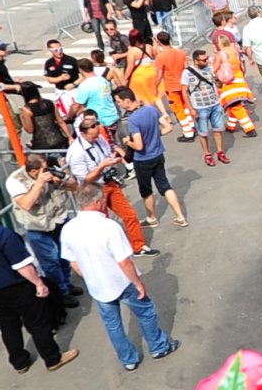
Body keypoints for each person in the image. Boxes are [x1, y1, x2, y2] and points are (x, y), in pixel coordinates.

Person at [61, 182, 179, 372]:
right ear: (99, 202)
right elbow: (124, 262)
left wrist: (90, 277)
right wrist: (138, 283)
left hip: (97, 286)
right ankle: (159, 346)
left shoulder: (68, 229)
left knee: (113, 324)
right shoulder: (109, 227)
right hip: (122, 282)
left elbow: (73, 262)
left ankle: (128, 359)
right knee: (145, 311)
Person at [0, 187, 77, 373]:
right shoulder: (2, 234)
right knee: (37, 323)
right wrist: (39, 284)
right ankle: (52, 358)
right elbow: (23, 266)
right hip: (16, 287)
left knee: (8, 324)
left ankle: (20, 362)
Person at [65, 112, 155, 256]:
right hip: (93, 189)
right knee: (102, 224)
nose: (96, 139)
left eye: (97, 135)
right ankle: (108, 254)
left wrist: (113, 160)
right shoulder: (76, 153)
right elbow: (84, 180)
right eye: (92, 137)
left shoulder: (99, 138)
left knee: (130, 215)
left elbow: (107, 154)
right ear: (82, 133)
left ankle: (138, 246)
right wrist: (101, 167)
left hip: (109, 183)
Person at [5, 152, 81, 303]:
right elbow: (26, 204)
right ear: (33, 171)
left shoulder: (50, 172)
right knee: (50, 261)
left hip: (58, 219)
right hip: (37, 227)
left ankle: (66, 283)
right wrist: (39, 183)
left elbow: (74, 187)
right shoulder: (15, 181)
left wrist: (61, 181)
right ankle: (60, 292)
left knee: (64, 255)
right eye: (43, 169)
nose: (47, 170)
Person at [114, 88, 188, 228]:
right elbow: (168, 128)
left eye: (119, 102)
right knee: (165, 186)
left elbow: (139, 145)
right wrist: (154, 134)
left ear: (127, 101)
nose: (119, 105)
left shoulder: (134, 119)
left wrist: (126, 142)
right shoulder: (151, 109)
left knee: (146, 190)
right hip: (158, 154)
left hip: (143, 160)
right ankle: (180, 216)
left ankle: (152, 218)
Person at [182, 48, 228, 167]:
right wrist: (191, 108)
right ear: (196, 61)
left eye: (207, 59)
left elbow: (219, 85)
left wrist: (217, 78)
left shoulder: (210, 69)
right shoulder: (187, 73)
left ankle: (220, 151)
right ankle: (207, 154)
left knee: (218, 130)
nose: (207, 61)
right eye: (204, 60)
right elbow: (184, 91)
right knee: (203, 133)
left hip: (214, 103)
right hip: (199, 106)